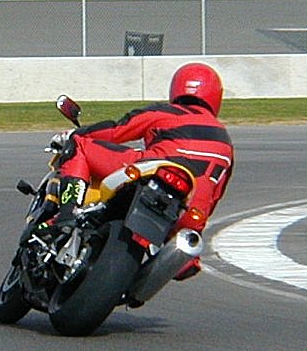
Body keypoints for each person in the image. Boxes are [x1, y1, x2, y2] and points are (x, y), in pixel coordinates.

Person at [49, 62, 234, 281]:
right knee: (190, 236)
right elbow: (215, 195)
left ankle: (67, 213)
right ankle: (177, 263)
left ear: (176, 89)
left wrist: (77, 132)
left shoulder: (167, 112)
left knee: (79, 145)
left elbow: (117, 131)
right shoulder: (226, 141)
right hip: (191, 208)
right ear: (216, 97)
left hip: (156, 168)